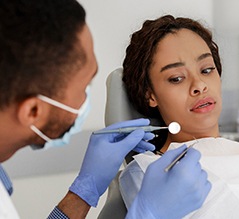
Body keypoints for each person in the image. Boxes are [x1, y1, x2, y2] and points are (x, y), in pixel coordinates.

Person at [0, 1, 212, 219]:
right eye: (84, 87)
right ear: (33, 111)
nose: (200, 86)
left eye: (207, 69)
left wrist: (82, 191)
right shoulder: (142, 173)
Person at [120, 15, 239, 218]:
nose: (199, 85)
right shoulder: (148, 173)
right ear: (150, 95)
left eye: (206, 70)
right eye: (176, 78)